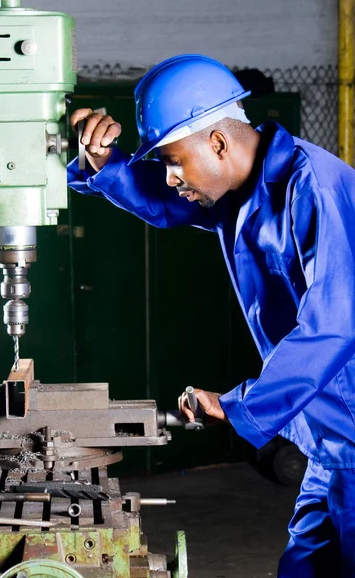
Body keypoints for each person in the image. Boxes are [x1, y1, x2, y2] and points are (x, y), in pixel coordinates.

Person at [67, 54, 355, 577]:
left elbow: (335, 323)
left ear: (218, 143)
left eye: (174, 160)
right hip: (329, 445)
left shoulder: (313, 186)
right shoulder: (241, 191)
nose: (172, 178)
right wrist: (104, 164)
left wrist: (240, 405)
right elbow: (165, 200)